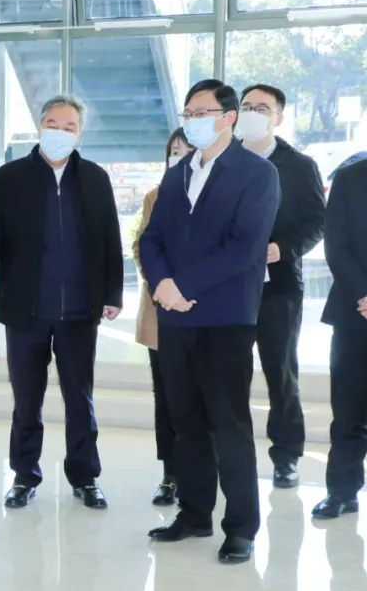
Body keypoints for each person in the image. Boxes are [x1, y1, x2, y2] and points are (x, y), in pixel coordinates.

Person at [139, 79, 279, 565]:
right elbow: (151, 238)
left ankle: (240, 527)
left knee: (229, 424)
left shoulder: (256, 173)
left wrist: (183, 286)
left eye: (202, 113)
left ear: (228, 117)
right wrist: (162, 284)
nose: (192, 121)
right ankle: (194, 513)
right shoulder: (179, 172)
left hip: (225, 318)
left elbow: (245, 246)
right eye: (188, 113)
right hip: (175, 319)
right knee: (186, 422)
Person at [0, 94, 124, 511]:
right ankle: (24, 475)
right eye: (53, 124)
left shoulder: (94, 179)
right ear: (40, 127)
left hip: (80, 312)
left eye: (69, 126)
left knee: (80, 399)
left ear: (80, 133)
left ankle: (85, 476)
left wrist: (113, 293)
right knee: (26, 400)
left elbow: (110, 239)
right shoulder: (8, 178)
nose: (60, 132)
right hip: (26, 311)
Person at [237, 84, 326, 489]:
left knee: (281, 372)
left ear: (279, 117)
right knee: (228, 373)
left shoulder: (299, 165)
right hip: (227, 287)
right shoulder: (224, 159)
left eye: (262, 108)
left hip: (279, 286)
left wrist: (283, 248)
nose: (253, 113)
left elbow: (317, 221)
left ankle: (286, 455)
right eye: (247, 106)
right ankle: (231, 451)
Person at [132, 128, 194, 506]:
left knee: (200, 395)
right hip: (161, 311)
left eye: (186, 150)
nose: (179, 156)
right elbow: (142, 247)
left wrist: (188, 289)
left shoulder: (220, 195)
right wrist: (162, 286)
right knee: (166, 396)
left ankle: (201, 470)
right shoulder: (154, 197)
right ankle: (171, 473)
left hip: (203, 310)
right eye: (174, 150)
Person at [312, 158, 367, 519]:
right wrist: (363, 292)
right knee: (347, 409)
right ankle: (342, 491)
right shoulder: (350, 177)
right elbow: (336, 243)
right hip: (354, 310)